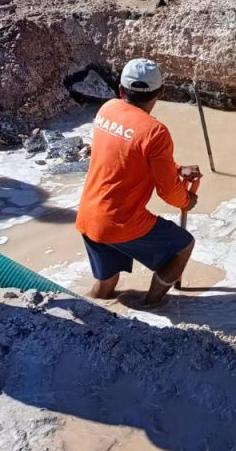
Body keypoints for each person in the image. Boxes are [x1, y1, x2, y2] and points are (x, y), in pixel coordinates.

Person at [75, 58, 201, 307]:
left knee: (106, 285)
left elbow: (127, 153)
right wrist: (188, 200)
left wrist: (176, 168)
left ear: (121, 90)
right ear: (160, 93)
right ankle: (151, 305)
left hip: (89, 217)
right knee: (184, 246)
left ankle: (89, 310)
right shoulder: (156, 132)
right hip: (121, 223)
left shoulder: (107, 109)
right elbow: (169, 193)